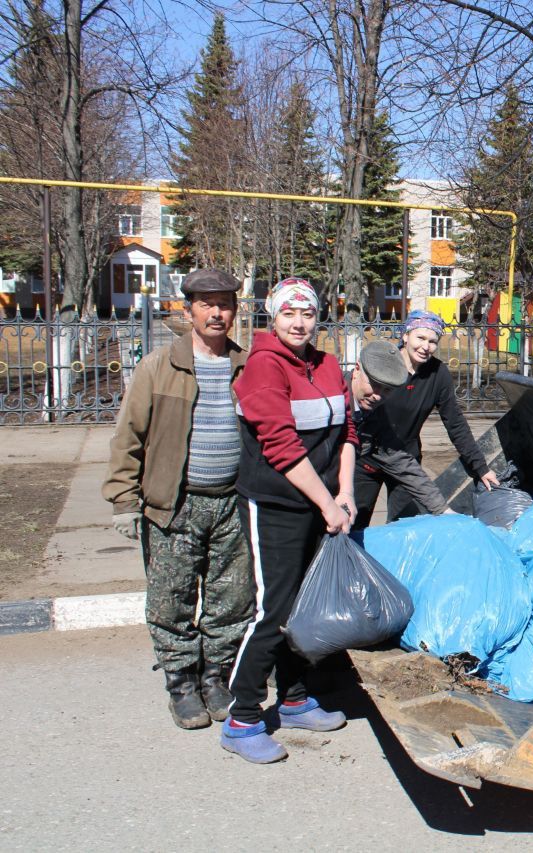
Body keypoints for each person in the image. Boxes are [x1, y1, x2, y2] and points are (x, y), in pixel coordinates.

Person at [102, 268, 253, 730]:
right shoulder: (157, 367)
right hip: (174, 505)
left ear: (234, 311)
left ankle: (215, 678)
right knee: (171, 601)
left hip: (233, 505)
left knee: (232, 600)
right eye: (206, 303)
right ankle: (181, 685)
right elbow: (129, 435)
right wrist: (124, 501)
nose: (216, 312)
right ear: (188, 311)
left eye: (224, 303)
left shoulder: (246, 366)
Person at [221, 277, 356, 764]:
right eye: (288, 314)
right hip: (276, 504)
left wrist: (345, 491)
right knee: (273, 611)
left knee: (304, 609)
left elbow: (348, 431)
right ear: (271, 317)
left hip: (322, 502)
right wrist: (327, 504)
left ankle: (295, 699)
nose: (299, 323)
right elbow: (281, 448)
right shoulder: (262, 367)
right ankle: (242, 719)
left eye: (307, 314)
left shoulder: (327, 363)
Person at [352, 310, 498, 530]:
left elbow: (455, 423)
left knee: (402, 528)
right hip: (366, 459)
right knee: (355, 525)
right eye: (420, 338)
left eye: (432, 341)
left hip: (405, 459)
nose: (426, 346)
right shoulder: (387, 363)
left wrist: (480, 467)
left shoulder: (438, 374)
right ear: (405, 336)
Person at [348, 339, 457, 515]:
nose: (378, 396)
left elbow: (395, 457)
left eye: (387, 391)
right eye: (374, 385)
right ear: (357, 369)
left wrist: (443, 510)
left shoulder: (376, 411)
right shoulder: (329, 398)